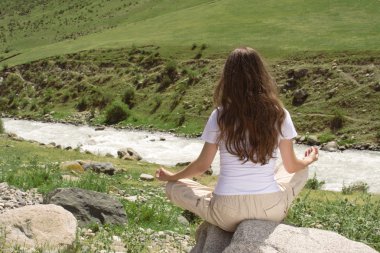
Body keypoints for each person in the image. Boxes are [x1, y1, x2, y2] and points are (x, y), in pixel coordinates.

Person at [155, 47, 318, 232]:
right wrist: (308, 160)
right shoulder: (279, 113)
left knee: (174, 187)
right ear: (261, 74)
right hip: (270, 210)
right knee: (301, 170)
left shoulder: (220, 115)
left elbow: (202, 166)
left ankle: (212, 196)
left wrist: (172, 177)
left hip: (227, 213)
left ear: (228, 78)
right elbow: (291, 166)